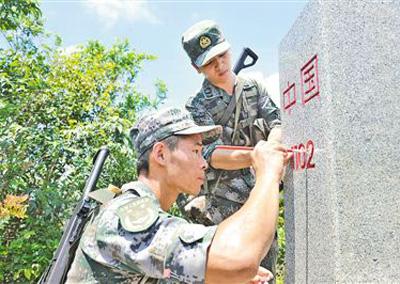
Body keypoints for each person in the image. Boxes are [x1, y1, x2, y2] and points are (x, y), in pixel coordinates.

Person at [66, 107, 291, 283]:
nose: (204, 164)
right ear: (161, 154)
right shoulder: (127, 215)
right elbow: (238, 256)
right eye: (195, 151)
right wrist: (268, 173)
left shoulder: (147, 212)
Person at [180, 20, 282, 278]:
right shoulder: (196, 106)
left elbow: (277, 123)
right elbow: (211, 154)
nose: (220, 64)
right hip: (222, 206)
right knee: (233, 276)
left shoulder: (253, 88)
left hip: (261, 196)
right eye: (209, 61)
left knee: (267, 273)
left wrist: (271, 145)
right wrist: (259, 157)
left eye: (222, 54)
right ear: (196, 68)